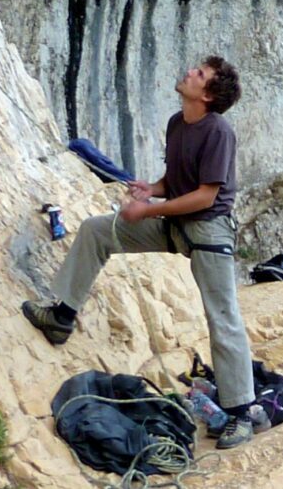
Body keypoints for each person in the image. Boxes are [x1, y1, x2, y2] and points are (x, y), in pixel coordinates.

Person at [23, 56, 258, 450]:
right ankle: (62, 316)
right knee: (99, 230)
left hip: (208, 229)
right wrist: (151, 188)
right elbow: (177, 180)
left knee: (222, 314)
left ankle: (241, 413)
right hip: (176, 221)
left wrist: (146, 210)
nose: (189, 71)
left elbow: (206, 194)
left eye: (199, 74)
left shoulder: (219, 132)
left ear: (209, 94)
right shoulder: (177, 122)